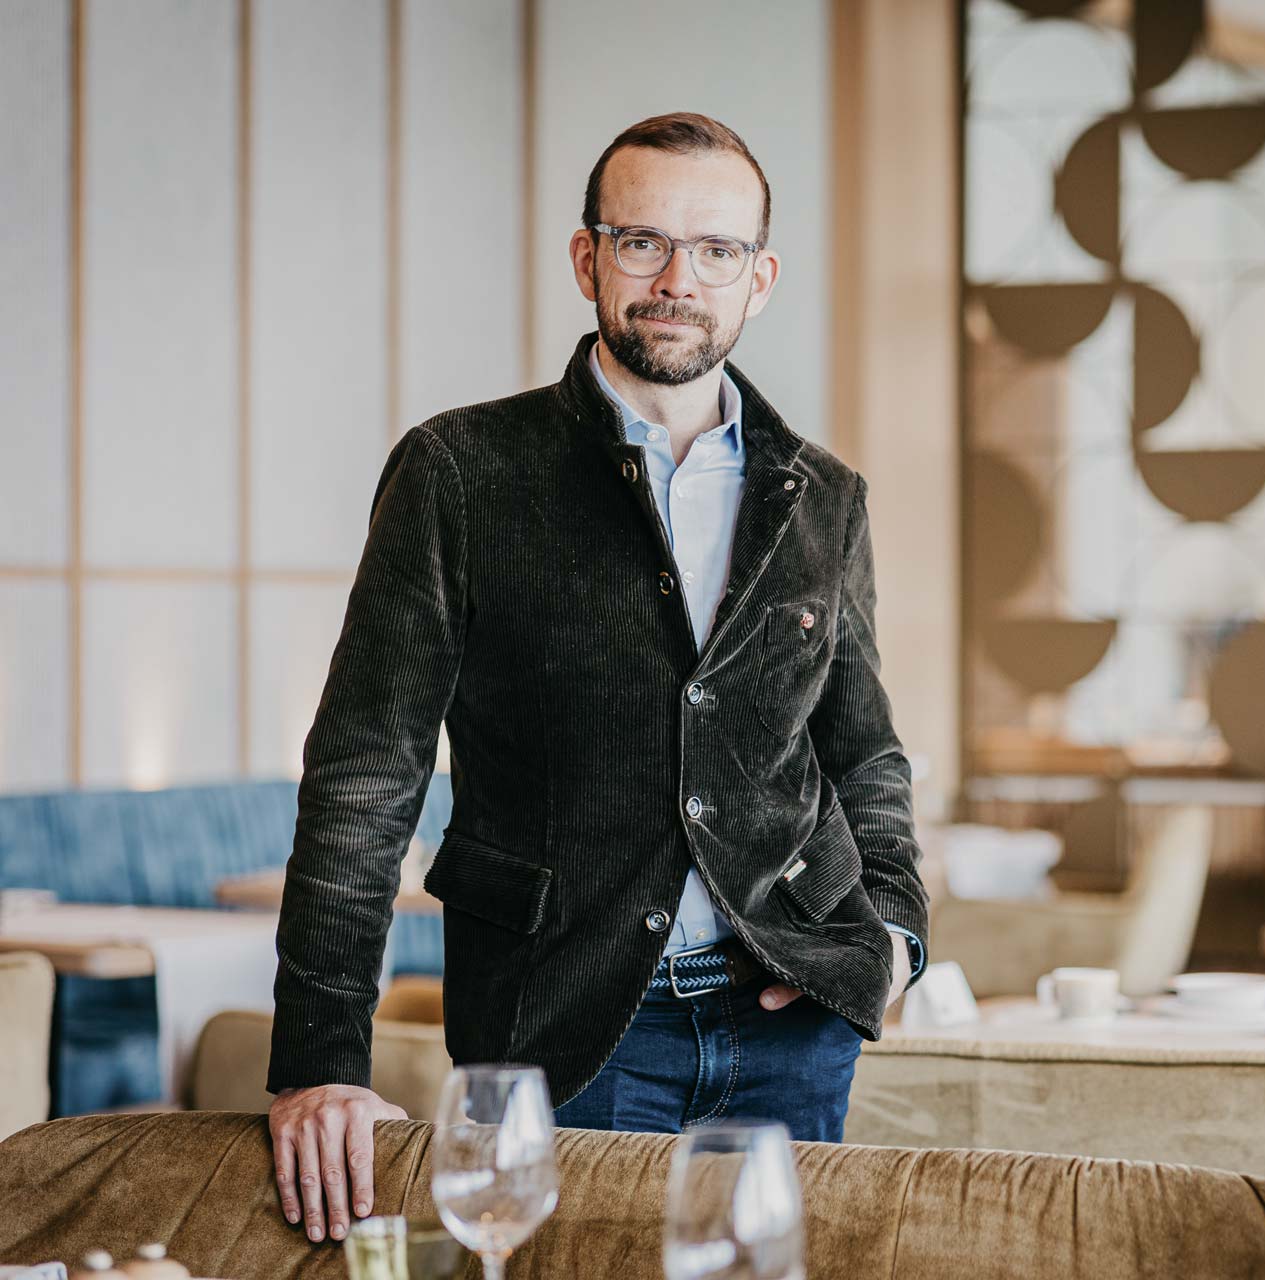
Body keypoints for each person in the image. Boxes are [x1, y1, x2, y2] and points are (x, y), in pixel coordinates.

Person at [264, 113, 928, 1244]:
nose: (678, 280)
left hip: (792, 1020)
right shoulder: (459, 472)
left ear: (759, 278)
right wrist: (320, 1058)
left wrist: (897, 935)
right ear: (588, 259)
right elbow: (365, 776)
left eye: (716, 250)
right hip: (560, 1023)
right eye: (643, 242)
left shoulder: (826, 495)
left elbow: (861, 750)